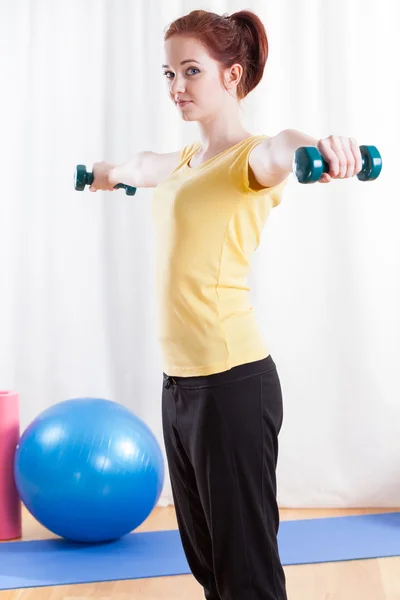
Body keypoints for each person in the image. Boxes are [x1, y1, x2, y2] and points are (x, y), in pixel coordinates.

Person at [90, 9, 363, 599]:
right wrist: (104, 173)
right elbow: (140, 166)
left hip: (232, 381)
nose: (176, 88)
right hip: (180, 386)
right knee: (209, 563)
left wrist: (328, 147)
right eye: (168, 73)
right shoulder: (186, 163)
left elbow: (290, 147)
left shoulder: (253, 160)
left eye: (191, 71)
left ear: (232, 75)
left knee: (246, 570)